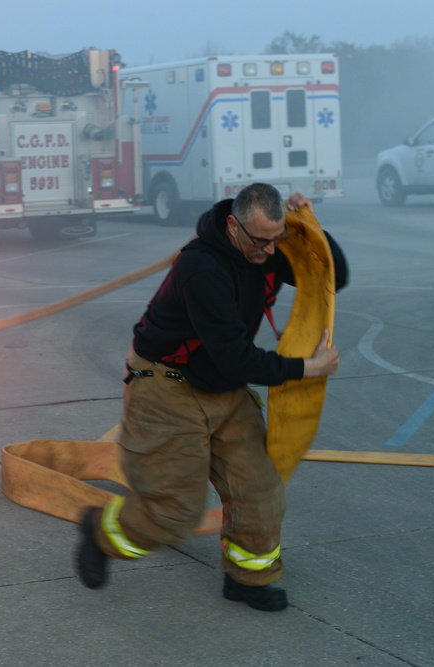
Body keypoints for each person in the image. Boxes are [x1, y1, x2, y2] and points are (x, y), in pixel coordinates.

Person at [74, 182, 348, 611]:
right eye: (261, 240)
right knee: (174, 511)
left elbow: (336, 275)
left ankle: (247, 579)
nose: (271, 251)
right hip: (168, 387)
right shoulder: (202, 268)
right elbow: (236, 358)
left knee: (260, 490)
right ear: (234, 226)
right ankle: (100, 532)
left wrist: (312, 226)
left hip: (222, 387)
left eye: (277, 239)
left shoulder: (266, 250)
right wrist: (305, 369)